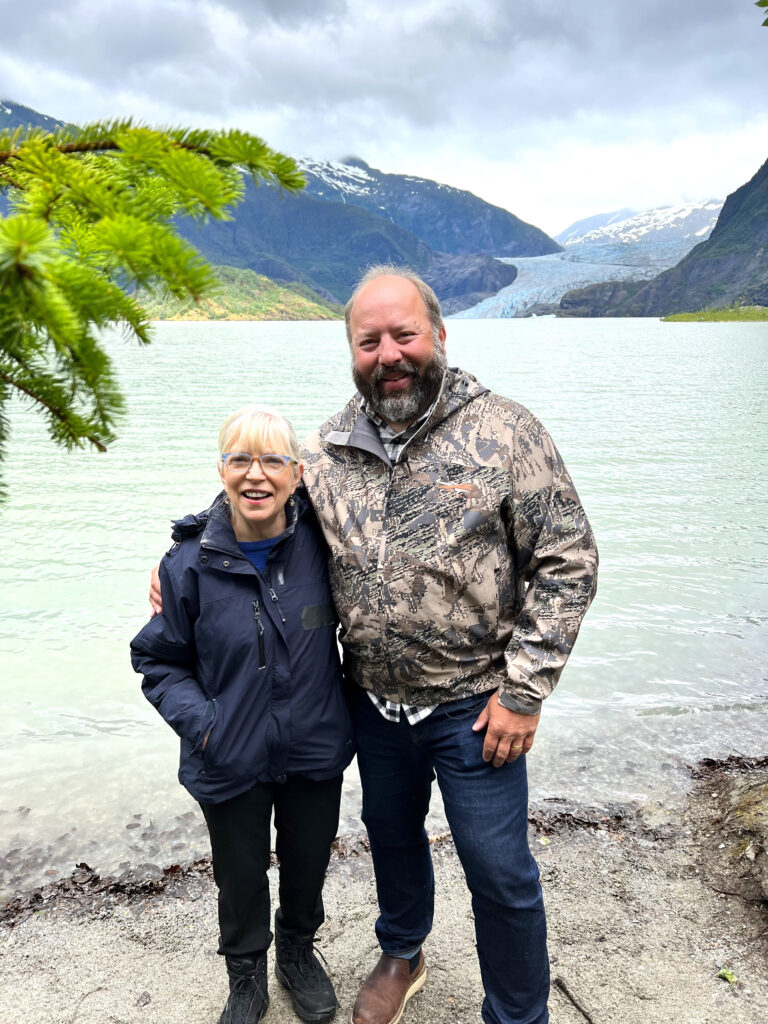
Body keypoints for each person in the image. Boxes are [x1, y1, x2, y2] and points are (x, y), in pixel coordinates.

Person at [150, 267, 598, 1024]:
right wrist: (185, 552)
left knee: (498, 871)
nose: (388, 354)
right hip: (370, 706)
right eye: (369, 340)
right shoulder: (327, 448)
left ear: (440, 336)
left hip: (476, 707)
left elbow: (570, 560)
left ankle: (518, 1013)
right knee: (390, 838)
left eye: (404, 335)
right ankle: (403, 950)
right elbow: (260, 489)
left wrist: (525, 692)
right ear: (352, 350)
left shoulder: (507, 433)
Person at [132, 406, 353, 1024]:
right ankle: (247, 973)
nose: (256, 475)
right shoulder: (187, 566)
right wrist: (204, 725)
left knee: (308, 863)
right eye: (240, 460)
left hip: (312, 746)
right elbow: (157, 662)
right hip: (225, 752)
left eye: (273, 461)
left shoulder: (326, 544)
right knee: (239, 875)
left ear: (298, 473)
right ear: (221, 470)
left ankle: (299, 953)